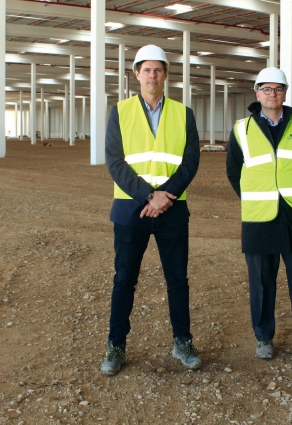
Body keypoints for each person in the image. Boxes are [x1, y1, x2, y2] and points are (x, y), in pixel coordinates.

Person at [101, 44, 202, 376]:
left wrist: (166, 196)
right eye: (146, 69)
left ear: (166, 74)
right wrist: (149, 196)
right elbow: (115, 163)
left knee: (177, 281)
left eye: (158, 69)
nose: (152, 75)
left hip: (172, 210)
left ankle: (182, 342)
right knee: (124, 280)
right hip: (132, 210)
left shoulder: (183, 113)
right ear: (136, 74)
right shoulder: (119, 112)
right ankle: (116, 345)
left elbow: (190, 163)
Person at [226, 67, 292, 363]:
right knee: (261, 281)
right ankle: (264, 337)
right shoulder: (242, 129)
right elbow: (234, 171)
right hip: (259, 218)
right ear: (257, 94)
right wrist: (255, 198)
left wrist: (287, 192)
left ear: (285, 93)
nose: (273, 94)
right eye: (267, 89)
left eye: (278, 89)